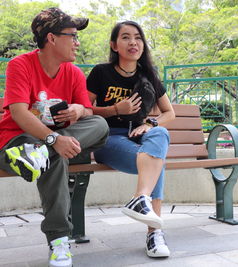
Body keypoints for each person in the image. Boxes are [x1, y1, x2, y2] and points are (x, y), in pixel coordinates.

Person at [0, 8, 109, 267]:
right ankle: (59, 239)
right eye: (72, 35)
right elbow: (18, 112)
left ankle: (41, 155)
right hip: (17, 143)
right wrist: (52, 140)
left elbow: (89, 111)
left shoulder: (72, 72)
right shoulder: (20, 64)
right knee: (56, 157)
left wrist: (79, 110)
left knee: (99, 124)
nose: (77, 42)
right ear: (51, 38)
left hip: (54, 143)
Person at [86, 20, 175, 258]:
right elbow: (83, 109)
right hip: (108, 138)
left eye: (137, 37)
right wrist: (114, 110)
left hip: (140, 137)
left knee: (160, 134)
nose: (133, 42)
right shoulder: (101, 72)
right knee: (156, 160)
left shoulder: (149, 76)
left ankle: (140, 198)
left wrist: (149, 124)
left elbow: (169, 113)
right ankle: (154, 232)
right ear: (114, 45)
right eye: (125, 37)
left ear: (143, 45)